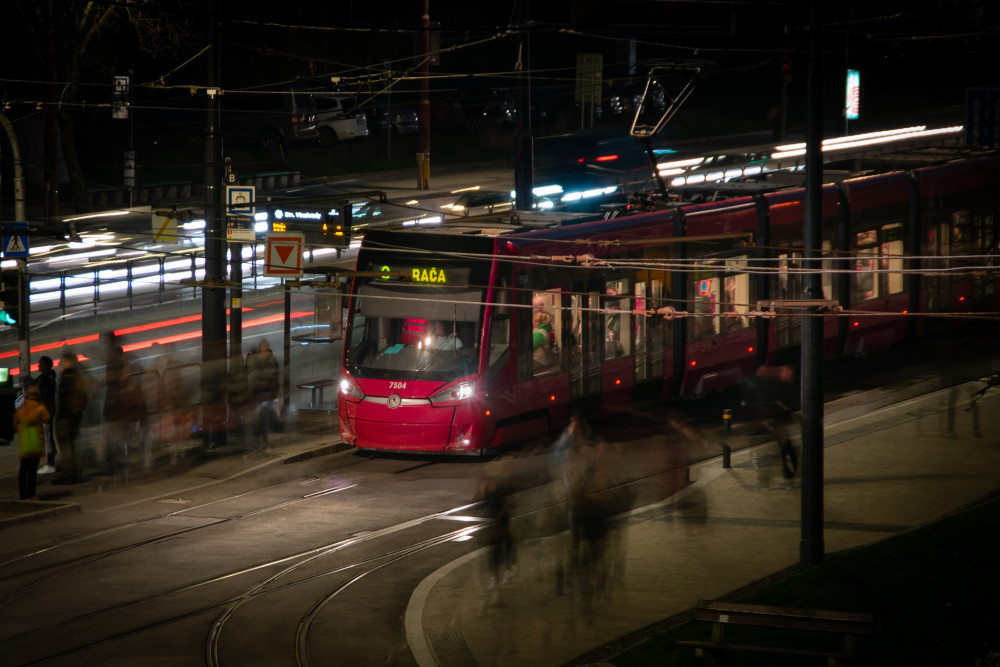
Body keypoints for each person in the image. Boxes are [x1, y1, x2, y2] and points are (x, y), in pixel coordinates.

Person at [52, 350, 88, 484]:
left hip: (66, 416)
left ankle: (67, 475)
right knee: (72, 445)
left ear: (69, 362)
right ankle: (77, 473)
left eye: (63, 362)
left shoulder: (66, 377)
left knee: (65, 446)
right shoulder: (78, 376)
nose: (61, 365)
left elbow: (64, 398)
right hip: (76, 415)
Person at [15, 380, 49, 500]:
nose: (36, 388)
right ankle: (24, 495)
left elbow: (46, 417)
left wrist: (38, 412)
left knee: (34, 467)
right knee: (25, 467)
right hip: (27, 438)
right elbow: (25, 419)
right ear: (28, 388)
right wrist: (38, 412)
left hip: (37, 437)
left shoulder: (38, 400)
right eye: (33, 386)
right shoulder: (21, 401)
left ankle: (32, 493)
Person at [246, 339, 280, 446]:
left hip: (268, 394)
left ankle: (263, 438)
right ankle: (260, 438)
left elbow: (275, 374)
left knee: (265, 417)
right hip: (259, 394)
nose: (266, 349)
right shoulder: (255, 360)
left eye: (267, 346)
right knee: (260, 417)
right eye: (264, 347)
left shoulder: (271, 359)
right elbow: (252, 377)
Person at [35, 355, 58, 475]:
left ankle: (50, 463)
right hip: (46, 411)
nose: (38, 366)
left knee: (48, 437)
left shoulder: (47, 379)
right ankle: (49, 462)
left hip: (46, 412)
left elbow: (45, 395)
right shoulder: (45, 377)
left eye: (41, 364)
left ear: (47, 365)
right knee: (47, 437)